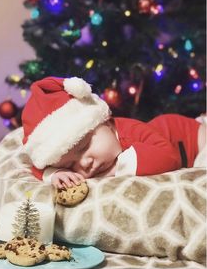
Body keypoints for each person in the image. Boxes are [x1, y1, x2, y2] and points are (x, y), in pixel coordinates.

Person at [21, 76, 206, 189]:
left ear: (107, 123)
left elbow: (168, 157)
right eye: (71, 164)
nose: (84, 163)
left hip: (193, 137)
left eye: (85, 147)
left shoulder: (129, 131)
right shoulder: (94, 144)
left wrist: (116, 169)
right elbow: (37, 167)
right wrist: (56, 173)